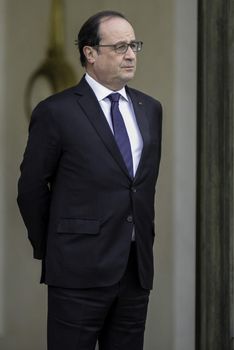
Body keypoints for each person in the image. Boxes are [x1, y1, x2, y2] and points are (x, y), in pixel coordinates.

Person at [17, 10, 162, 350]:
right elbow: (31, 190)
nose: (130, 54)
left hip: (134, 269)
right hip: (77, 270)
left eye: (134, 45)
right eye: (120, 46)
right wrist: (54, 249)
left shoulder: (150, 108)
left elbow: (139, 187)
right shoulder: (56, 111)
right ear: (90, 53)